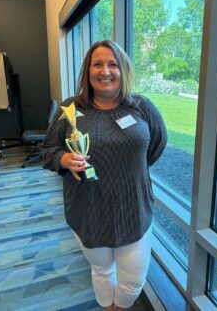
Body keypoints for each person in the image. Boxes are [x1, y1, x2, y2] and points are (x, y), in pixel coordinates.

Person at [42, 40, 167, 310]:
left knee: (133, 282)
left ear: (123, 70)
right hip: (88, 209)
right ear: (87, 71)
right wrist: (63, 159)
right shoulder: (71, 108)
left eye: (113, 64)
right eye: (97, 64)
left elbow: (156, 146)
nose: (105, 71)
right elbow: (47, 150)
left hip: (132, 208)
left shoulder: (141, 107)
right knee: (101, 271)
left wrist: (129, 168)